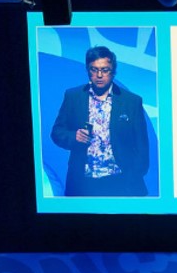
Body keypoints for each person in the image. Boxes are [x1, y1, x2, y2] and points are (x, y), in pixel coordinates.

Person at [49, 45, 150, 197]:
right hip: (83, 183)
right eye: (94, 69)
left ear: (113, 72)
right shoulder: (73, 97)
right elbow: (57, 133)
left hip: (121, 182)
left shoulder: (131, 102)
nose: (99, 75)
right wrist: (73, 136)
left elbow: (142, 146)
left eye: (105, 70)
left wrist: (133, 175)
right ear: (88, 70)